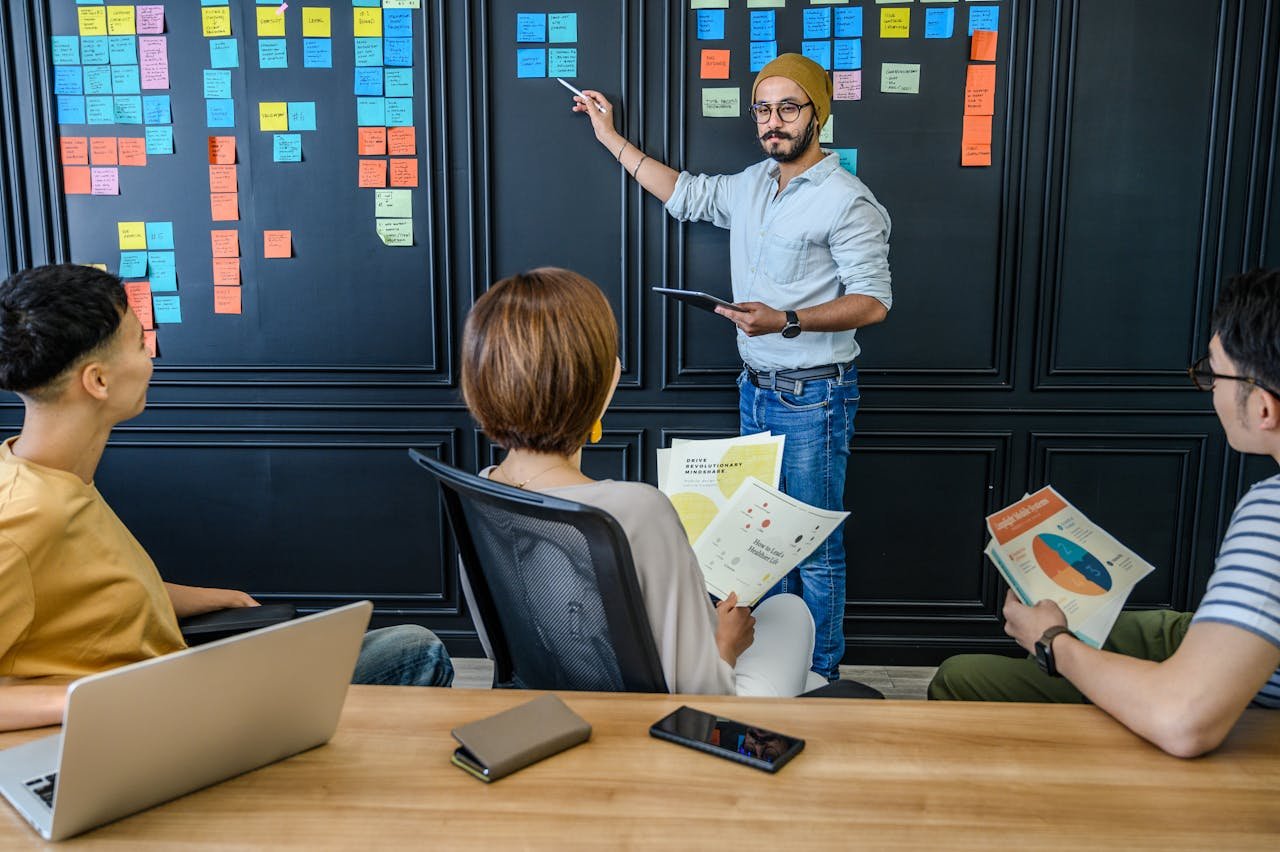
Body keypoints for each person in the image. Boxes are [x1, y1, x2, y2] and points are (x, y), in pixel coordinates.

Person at [0, 264, 453, 733]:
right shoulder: (25, 516)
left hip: (178, 681)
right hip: (158, 722)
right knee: (415, 651)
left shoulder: (47, 475)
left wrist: (201, 599)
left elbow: (85, 593)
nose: (151, 355)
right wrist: (86, 698)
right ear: (97, 381)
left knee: (378, 648)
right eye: (139, 343)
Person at [572, 54, 892, 681]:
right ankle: (768, 668)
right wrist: (608, 136)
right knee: (763, 544)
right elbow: (685, 194)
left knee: (815, 551)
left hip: (814, 396)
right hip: (756, 390)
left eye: (789, 108)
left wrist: (786, 320)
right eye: (763, 110)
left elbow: (874, 302)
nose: (774, 122)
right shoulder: (752, 184)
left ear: (818, 113)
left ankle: (819, 678)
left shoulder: (847, 200)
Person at [929, 268, 1280, 757]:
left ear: (1264, 408)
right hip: (1231, 647)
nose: (1211, 392)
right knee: (1092, 624)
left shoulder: (1273, 514)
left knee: (960, 677)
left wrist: (1052, 642)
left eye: (1212, 374)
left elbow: (1184, 720)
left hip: (1244, 694)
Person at [461, 267, 826, 697]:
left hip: (552, 700)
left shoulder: (481, 488)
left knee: (808, 677)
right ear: (599, 386)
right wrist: (725, 643)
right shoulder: (636, 509)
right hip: (662, 726)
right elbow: (702, 691)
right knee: (789, 612)